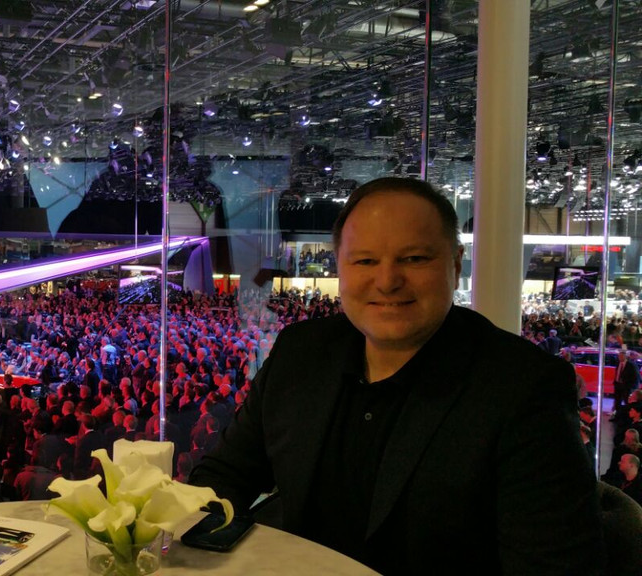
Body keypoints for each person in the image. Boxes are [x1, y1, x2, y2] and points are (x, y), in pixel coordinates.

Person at [190, 177, 602, 575]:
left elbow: (551, 564)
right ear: (341, 267)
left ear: (455, 263)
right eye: (365, 261)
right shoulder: (300, 352)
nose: (387, 281)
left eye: (414, 259)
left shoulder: (524, 387)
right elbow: (225, 477)